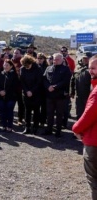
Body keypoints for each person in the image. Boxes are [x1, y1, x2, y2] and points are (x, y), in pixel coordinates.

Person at [72, 55, 97, 200]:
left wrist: (76, 128)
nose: (90, 71)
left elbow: (90, 114)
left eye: (93, 68)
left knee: (93, 181)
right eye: (89, 68)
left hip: (94, 142)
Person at [42, 53, 72, 137]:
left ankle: (58, 131)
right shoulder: (48, 68)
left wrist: (54, 87)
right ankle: (49, 129)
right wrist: (48, 86)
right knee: (49, 113)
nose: (55, 61)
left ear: (62, 60)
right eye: (54, 59)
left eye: (57, 59)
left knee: (59, 114)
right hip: (49, 95)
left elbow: (65, 81)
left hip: (60, 96)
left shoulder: (66, 69)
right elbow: (44, 79)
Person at [20, 55, 43, 134]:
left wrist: (32, 91)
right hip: (26, 93)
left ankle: (35, 127)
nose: (27, 67)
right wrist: (27, 91)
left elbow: (39, 82)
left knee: (36, 110)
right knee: (27, 110)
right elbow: (22, 81)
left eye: (28, 66)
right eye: (25, 66)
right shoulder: (22, 69)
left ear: (31, 63)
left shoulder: (38, 69)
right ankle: (27, 127)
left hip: (36, 93)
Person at [0, 60, 19, 132]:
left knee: (9, 111)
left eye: (7, 65)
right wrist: (0, 91)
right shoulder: (0, 74)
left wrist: (6, 92)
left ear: (11, 66)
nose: (5, 66)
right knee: (1, 111)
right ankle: (4, 126)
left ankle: (9, 126)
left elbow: (15, 86)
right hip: (1, 96)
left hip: (11, 97)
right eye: (4, 65)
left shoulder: (14, 75)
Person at [71, 52, 92, 119]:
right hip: (79, 95)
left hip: (89, 95)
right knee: (79, 112)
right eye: (84, 58)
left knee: (88, 112)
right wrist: (72, 91)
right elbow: (73, 79)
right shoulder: (78, 67)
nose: (85, 59)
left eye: (87, 58)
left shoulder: (93, 67)